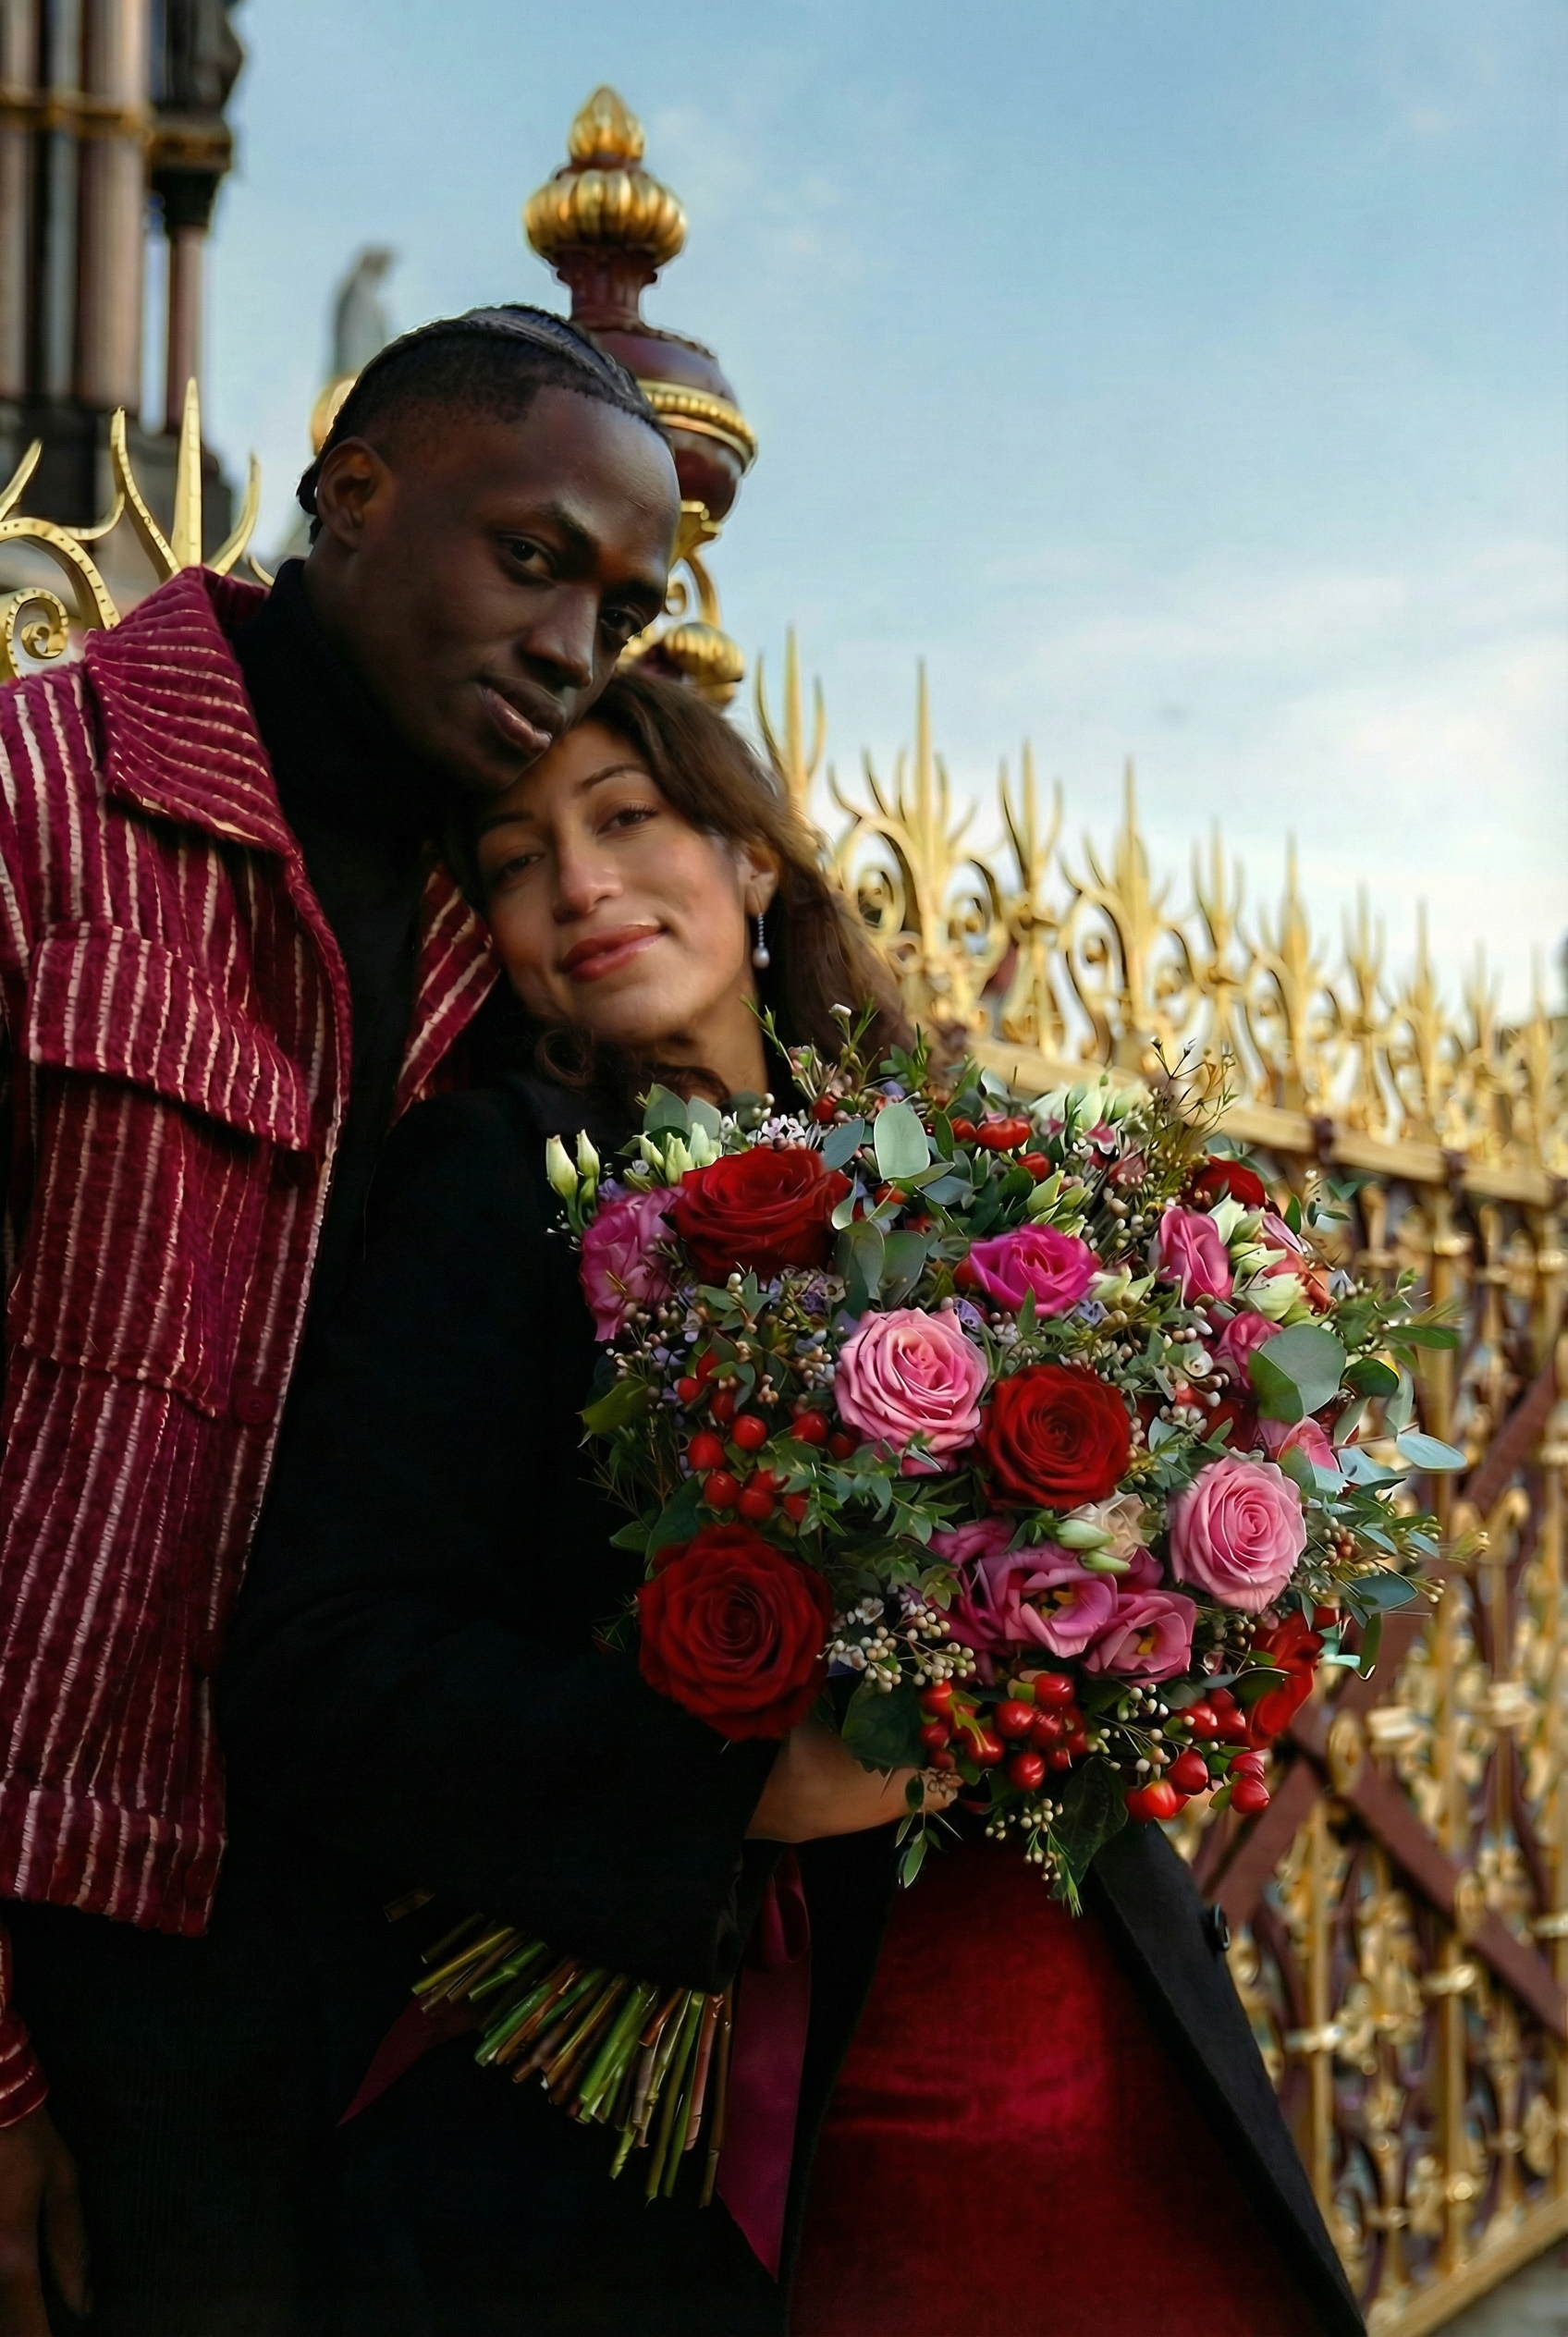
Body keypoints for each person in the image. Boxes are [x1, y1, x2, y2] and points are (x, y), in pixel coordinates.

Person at [220, 670, 1364, 2337]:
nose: (582, 884)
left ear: (752, 858)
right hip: (755, 2080)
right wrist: (729, 1786)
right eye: (518, 859)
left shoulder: (971, 1159)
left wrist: (1153, 1623)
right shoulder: (495, 1192)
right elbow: (321, 1661)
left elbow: (1136, 1498)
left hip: (1069, 2003)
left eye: (625, 819)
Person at [0, 304, 680, 2335]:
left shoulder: (516, 937)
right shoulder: (41, 810)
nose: (576, 640)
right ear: (353, 491)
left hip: (380, 1957)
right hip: (66, 1934)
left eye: (628, 604)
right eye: (537, 555)